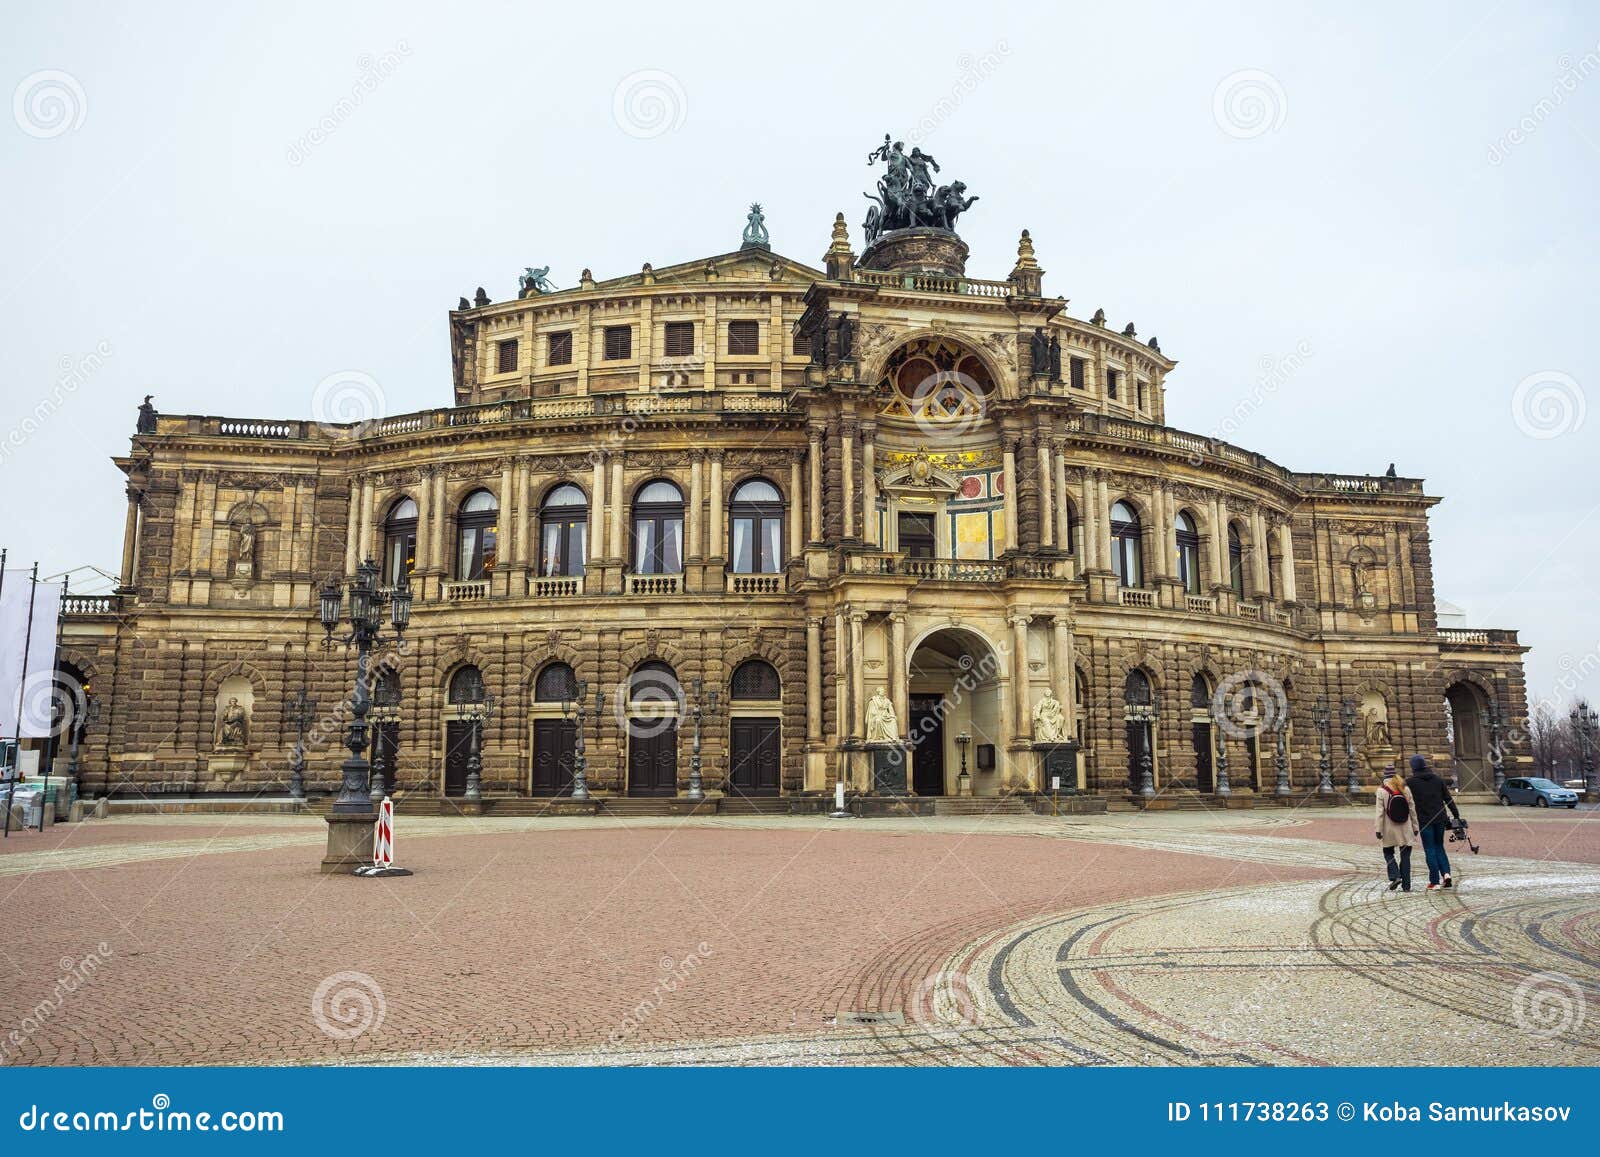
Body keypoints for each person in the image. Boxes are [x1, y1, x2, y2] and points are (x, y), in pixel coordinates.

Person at [1405, 754, 1462, 891]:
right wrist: (1456, 815)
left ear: (1413, 767)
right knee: (1439, 847)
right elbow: (1448, 799)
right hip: (1440, 819)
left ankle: (1434, 881)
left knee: (1430, 849)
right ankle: (1446, 874)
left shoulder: (1410, 783)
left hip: (1425, 821)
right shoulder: (1437, 779)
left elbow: (1407, 803)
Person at [1374, 766, 1419, 892]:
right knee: (1405, 857)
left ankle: (1395, 875)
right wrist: (1415, 827)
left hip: (1388, 830)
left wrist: (1378, 830)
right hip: (1405, 829)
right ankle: (1406, 886)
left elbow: (1380, 813)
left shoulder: (1381, 791)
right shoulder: (1405, 789)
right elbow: (1412, 810)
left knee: (1388, 853)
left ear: (1385, 777)